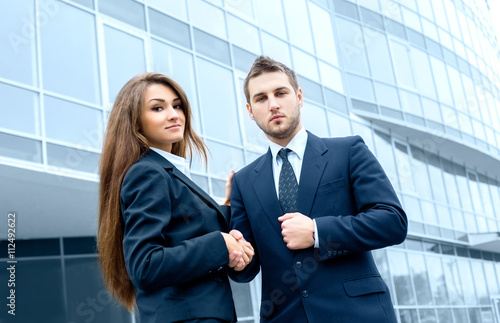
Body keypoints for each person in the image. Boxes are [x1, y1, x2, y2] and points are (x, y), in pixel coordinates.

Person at [229, 56, 408, 322]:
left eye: (280, 93)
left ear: (299, 97)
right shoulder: (243, 181)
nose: (273, 104)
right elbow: (246, 268)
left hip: (357, 315)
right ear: (250, 110)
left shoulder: (347, 152)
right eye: (261, 98)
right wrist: (238, 256)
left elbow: (392, 221)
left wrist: (317, 232)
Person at [97, 72, 253, 323]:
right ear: (135, 122)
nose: (174, 114)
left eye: (177, 105)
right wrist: (220, 244)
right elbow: (145, 265)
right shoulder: (147, 172)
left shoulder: (166, 171)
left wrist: (226, 207)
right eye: (158, 108)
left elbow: (184, 230)